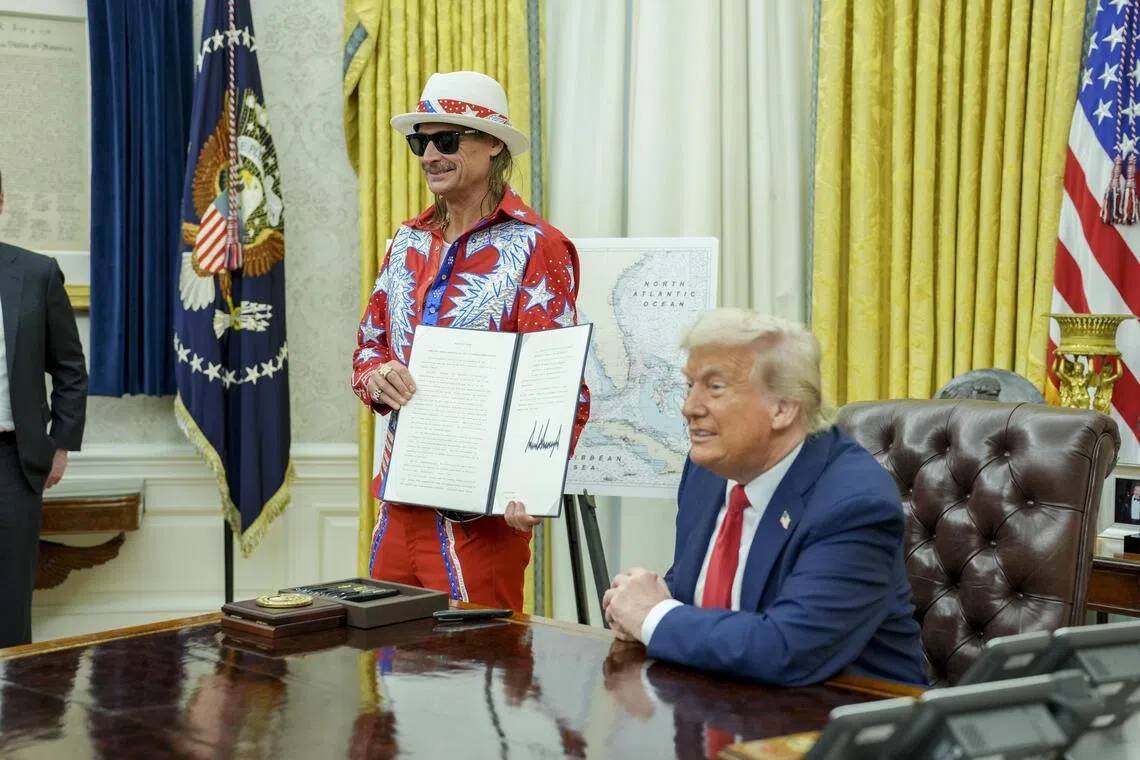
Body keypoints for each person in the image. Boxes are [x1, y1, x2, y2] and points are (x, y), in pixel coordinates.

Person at [351, 71, 590, 612]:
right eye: (421, 141)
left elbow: (557, 383)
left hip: (482, 516)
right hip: (400, 498)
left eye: (447, 139)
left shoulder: (538, 246)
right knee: (389, 666)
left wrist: (533, 483)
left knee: (476, 677)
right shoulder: (406, 242)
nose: (430, 154)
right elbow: (369, 346)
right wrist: (376, 377)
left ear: (494, 146)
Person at [603, 308, 926, 687]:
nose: (689, 407)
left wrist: (654, 617)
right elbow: (696, 589)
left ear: (783, 409)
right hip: (725, 703)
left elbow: (788, 648)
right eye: (690, 385)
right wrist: (634, 605)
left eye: (715, 387)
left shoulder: (854, 503)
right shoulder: (708, 472)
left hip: (844, 721)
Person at [0, 168, 88, 648]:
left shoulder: (35, 274)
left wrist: (60, 445)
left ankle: (12, 719)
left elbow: (70, 368)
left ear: (0, 203)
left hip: (13, 462)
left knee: (10, 602)